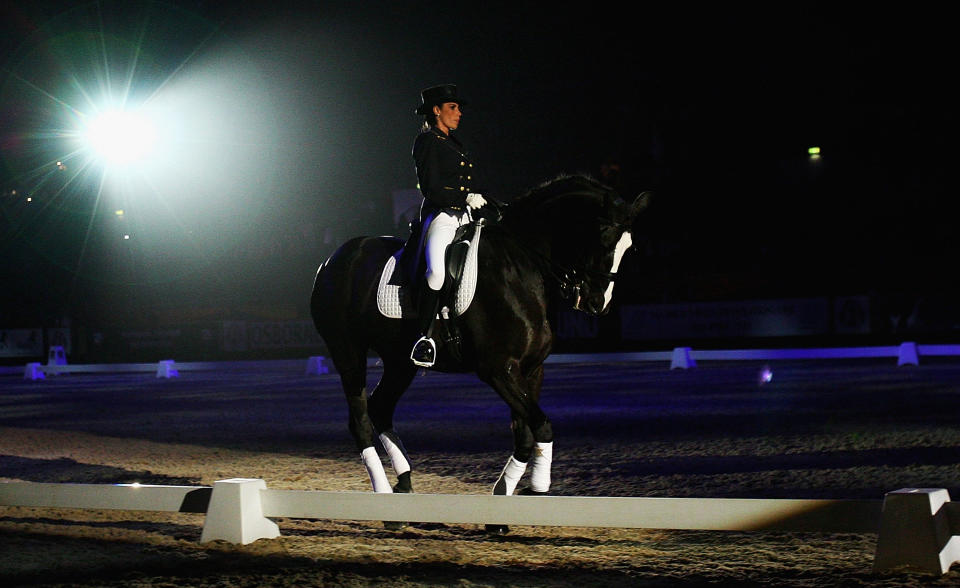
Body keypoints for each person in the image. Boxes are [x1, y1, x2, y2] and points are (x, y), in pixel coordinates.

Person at [409, 84, 487, 367]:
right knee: (436, 273)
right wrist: (464, 196)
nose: (459, 113)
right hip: (441, 215)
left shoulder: (454, 143)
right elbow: (431, 189)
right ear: (436, 110)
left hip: (464, 215)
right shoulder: (427, 141)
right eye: (453, 108)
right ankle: (424, 339)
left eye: (458, 108)